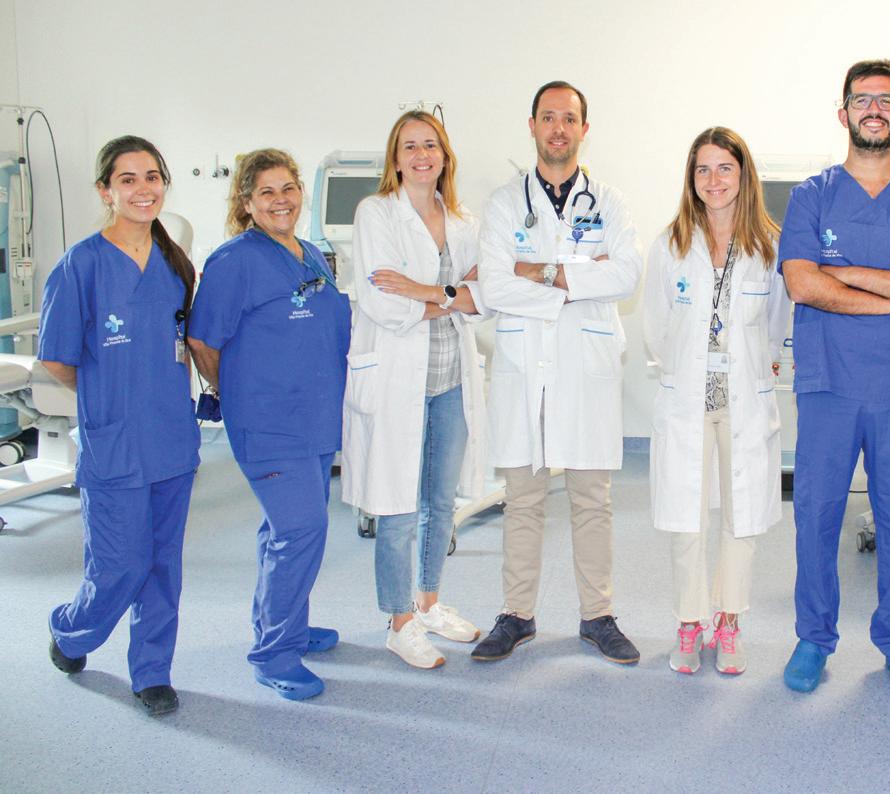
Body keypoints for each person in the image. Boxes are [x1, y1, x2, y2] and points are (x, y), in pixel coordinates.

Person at [778, 59, 890, 697]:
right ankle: (813, 637)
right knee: (817, 516)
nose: (874, 109)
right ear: (844, 113)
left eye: (885, 99)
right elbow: (803, 283)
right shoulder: (812, 194)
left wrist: (847, 273)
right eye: (862, 99)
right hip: (828, 384)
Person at [471, 80, 643, 664]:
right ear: (533, 126)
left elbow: (626, 276)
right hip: (525, 366)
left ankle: (598, 615)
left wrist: (539, 272)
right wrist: (580, 276)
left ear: (584, 129)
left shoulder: (610, 202)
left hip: (586, 365)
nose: (558, 129)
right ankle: (516, 614)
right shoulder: (504, 203)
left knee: (592, 498)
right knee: (523, 498)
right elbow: (495, 287)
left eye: (569, 118)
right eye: (548, 117)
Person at [40, 136, 201, 717]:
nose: (142, 189)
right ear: (105, 190)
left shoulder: (175, 265)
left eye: (152, 177)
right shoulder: (80, 264)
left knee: (161, 565)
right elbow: (57, 359)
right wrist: (108, 397)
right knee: (119, 565)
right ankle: (72, 631)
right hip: (113, 442)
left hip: (172, 438)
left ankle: (152, 671)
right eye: (127, 179)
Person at [188, 149, 351, 701]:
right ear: (246, 202)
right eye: (267, 192)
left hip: (314, 416)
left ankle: (288, 626)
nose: (281, 200)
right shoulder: (234, 261)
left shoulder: (311, 254)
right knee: (300, 530)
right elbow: (202, 340)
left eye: (288, 188)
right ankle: (274, 653)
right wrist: (235, 392)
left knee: (287, 529)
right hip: (268, 422)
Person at [643, 127, 791, 676]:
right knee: (686, 516)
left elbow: (777, 322)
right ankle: (689, 621)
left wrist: (755, 363)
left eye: (724, 168)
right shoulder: (671, 243)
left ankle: (729, 621)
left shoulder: (770, 245)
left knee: (741, 512)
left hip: (744, 398)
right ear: (691, 178)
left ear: (743, 174)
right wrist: (687, 366)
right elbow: (656, 326)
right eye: (702, 169)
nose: (713, 180)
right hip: (687, 398)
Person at [341, 110, 484, 669]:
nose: (422, 155)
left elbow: (486, 296)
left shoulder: (464, 221)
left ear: (445, 156)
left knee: (440, 501)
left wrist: (427, 291)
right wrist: (453, 295)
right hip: (398, 379)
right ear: (395, 159)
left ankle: (428, 602)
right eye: (410, 147)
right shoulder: (376, 213)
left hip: (450, 378)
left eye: (431, 145)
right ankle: (399, 621)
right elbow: (382, 302)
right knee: (397, 504)